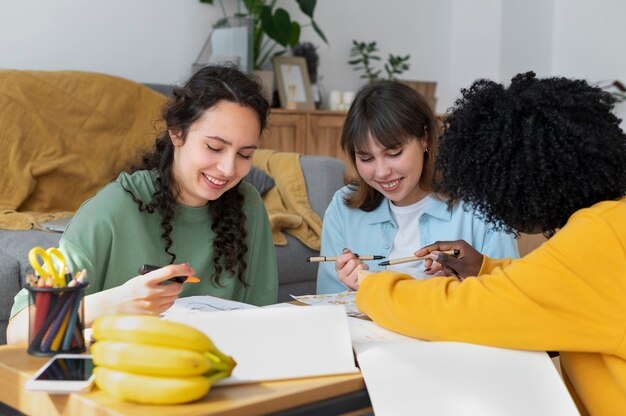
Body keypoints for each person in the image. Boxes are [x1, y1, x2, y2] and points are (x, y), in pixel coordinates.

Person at [356, 72, 626, 415]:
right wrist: (484, 268)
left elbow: (463, 311)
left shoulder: (596, 238)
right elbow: (557, 285)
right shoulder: (611, 223)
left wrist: (372, 288)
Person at [7, 65, 278, 343]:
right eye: (214, 148)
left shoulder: (248, 205)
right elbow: (18, 331)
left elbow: (263, 315)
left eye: (245, 154)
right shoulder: (114, 209)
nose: (227, 168)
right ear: (177, 134)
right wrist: (114, 303)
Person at [317, 81, 519, 294]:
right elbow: (325, 303)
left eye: (394, 153)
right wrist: (353, 290)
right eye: (366, 158)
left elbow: (512, 295)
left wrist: (463, 286)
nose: (382, 171)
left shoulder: (479, 206)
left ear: (424, 138)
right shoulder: (343, 208)